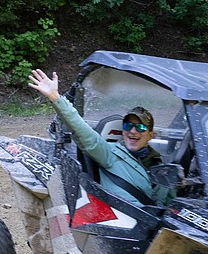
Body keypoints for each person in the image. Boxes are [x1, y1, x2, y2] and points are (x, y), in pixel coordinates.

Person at [27, 68, 171, 205]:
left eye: (140, 127)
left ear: (151, 135)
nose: (133, 131)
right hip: (126, 221)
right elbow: (82, 130)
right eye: (128, 126)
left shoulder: (159, 164)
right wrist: (56, 98)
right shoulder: (111, 153)